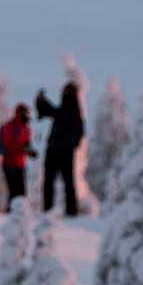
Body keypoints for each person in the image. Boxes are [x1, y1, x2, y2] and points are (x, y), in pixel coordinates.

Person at [35, 82, 85, 217]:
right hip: (66, 151)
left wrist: (41, 101)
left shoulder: (66, 110)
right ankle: (70, 212)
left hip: (55, 150)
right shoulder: (75, 113)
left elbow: (50, 111)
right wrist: (73, 144)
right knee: (67, 182)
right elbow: (80, 134)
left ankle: (49, 211)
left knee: (50, 182)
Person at [0, 103, 37, 212]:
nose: (27, 116)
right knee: (14, 192)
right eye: (25, 113)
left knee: (21, 193)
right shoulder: (9, 127)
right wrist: (24, 149)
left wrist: (30, 152)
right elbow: (9, 145)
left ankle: (18, 216)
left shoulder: (26, 129)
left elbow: (26, 145)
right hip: (9, 164)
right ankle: (11, 216)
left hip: (19, 164)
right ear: (19, 113)